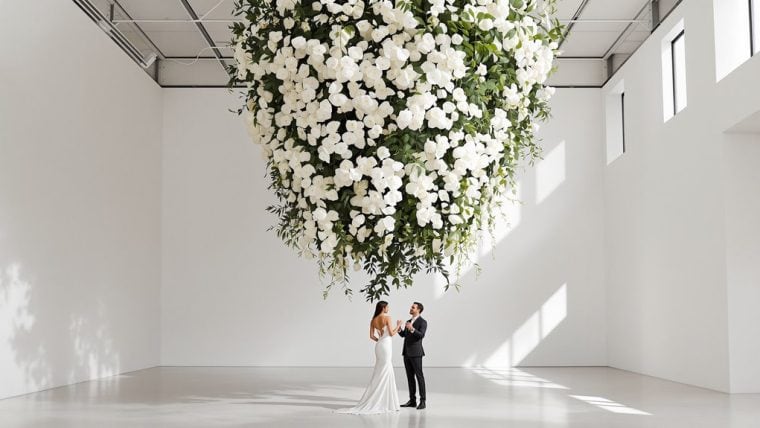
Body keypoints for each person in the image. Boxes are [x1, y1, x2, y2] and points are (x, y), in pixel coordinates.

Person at [336, 301, 402, 414]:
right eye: (387, 307)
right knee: (386, 369)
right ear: (383, 308)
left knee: (380, 370)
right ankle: (387, 402)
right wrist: (399, 325)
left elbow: (372, 336)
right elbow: (391, 333)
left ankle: (381, 399)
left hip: (379, 345)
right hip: (386, 345)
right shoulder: (387, 318)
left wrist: (380, 340)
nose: (388, 309)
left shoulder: (373, 320)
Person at [397, 302, 427, 410]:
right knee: (410, 378)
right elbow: (405, 335)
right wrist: (399, 329)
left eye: (413, 307)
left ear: (418, 310)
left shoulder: (423, 322)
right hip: (406, 353)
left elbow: (421, 335)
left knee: (419, 377)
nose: (410, 308)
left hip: (416, 353)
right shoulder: (408, 321)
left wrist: (412, 329)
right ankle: (412, 401)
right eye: (411, 307)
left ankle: (423, 401)